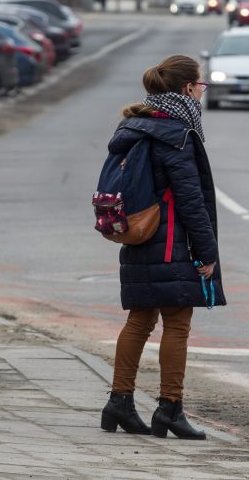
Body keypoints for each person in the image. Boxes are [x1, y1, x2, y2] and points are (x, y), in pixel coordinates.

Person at [100, 54, 226, 439]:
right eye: (200, 86)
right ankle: (169, 409)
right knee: (177, 323)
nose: (201, 93)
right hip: (171, 243)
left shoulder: (135, 125)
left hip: (138, 236)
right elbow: (191, 200)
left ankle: (119, 403)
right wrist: (208, 255)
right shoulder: (177, 134)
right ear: (187, 89)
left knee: (139, 320)